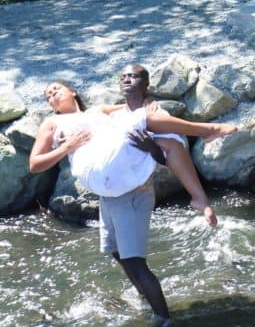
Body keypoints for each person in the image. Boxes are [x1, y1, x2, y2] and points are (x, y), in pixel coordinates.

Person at [29, 67, 238, 324]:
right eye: (48, 95)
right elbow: (35, 163)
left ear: (72, 91)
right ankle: (146, 298)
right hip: (105, 189)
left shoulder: (100, 111)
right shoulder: (53, 123)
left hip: (119, 173)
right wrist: (67, 148)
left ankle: (164, 319)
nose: (51, 95)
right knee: (119, 254)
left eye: (55, 89)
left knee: (157, 131)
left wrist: (150, 111)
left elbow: (146, 109)